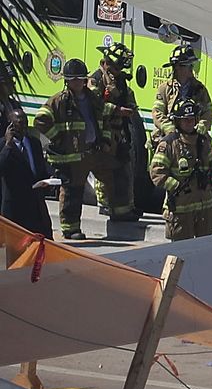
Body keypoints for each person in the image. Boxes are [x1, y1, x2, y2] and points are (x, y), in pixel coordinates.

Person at [32, 58, 114, 241]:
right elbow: (40, 120)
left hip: (91, 152)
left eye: (80, 79)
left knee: (111, 176)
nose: (77, 82)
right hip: (69, 157)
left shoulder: (93, 99)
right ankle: (70, 229)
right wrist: (58, 137)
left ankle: (118, 211)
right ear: (67, 81)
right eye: (73, 79)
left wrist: (106, 140)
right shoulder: (60, 100)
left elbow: (105, 120)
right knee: (71, 192)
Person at [89, 39, 143, 226]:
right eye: (116, 68)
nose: (118, 72)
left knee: (124, 169)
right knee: (107, 171)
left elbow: (129, 100)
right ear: (106, 63)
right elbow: (93, 106)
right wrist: (116, 110)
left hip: (120, 132)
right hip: (103, 133)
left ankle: (125, 208)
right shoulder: (95, 79)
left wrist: (130, 108)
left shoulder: (120, 80)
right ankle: (107, 205)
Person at [149, 101, 212, 241]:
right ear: (178, 121)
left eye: (192, 119)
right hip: (180, 210)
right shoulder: (169, 144)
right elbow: (157, 173)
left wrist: (211, 174)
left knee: (207, 251)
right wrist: (176, 186)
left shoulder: (203, 141)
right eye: (185, 120)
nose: (189, 123)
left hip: (205, 208)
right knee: (181, 253)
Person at [1, 107, 56, 237]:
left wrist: (49, 180)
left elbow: (40, 170)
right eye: (20, 123)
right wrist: (8, 144)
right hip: (15, 207)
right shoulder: (3, 145)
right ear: (11, 125)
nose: (24, 126)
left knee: (42, 244)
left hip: (36, 206)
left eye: (26, 122)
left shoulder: (34, 143)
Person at [152, 45, 212, 145]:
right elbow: (157, 112)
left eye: (191, 65)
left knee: (205, 151)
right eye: (187, 65)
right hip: (170, 136)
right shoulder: (165, 89)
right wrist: (169, 129)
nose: (191, 68)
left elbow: (208, 112)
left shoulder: (200, 89)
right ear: (177, 67)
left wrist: (201, 126)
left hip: (193, 137)